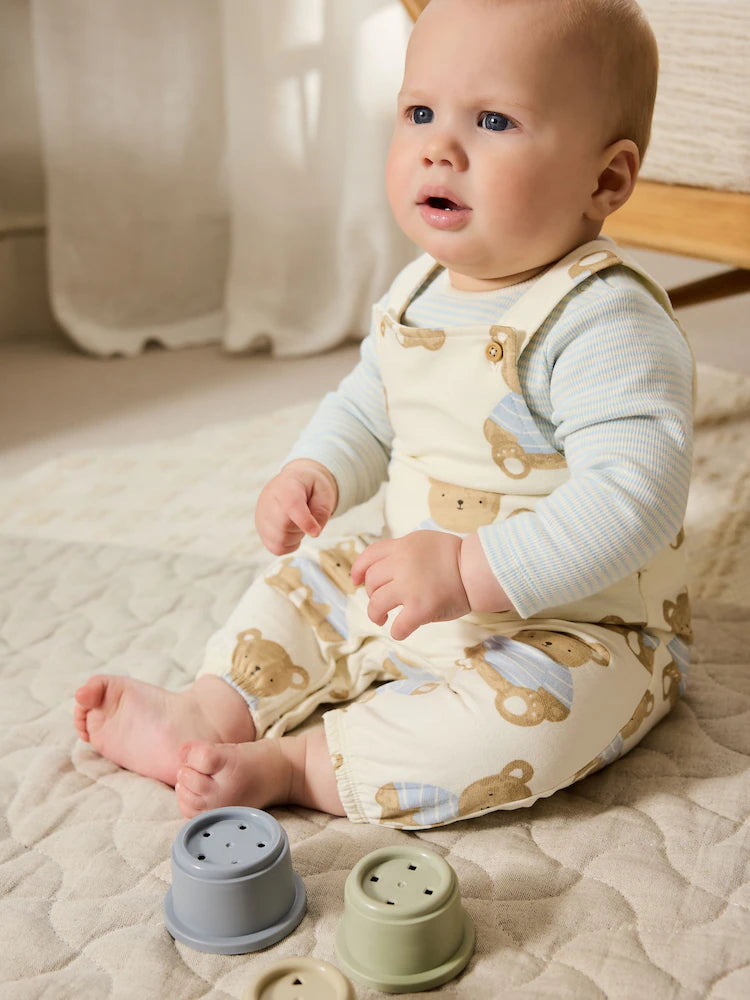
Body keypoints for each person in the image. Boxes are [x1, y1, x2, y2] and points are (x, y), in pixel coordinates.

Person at [74, 0, 694, 829]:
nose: (439, 147)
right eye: (420, 112)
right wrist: (316, 469)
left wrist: (469, 571)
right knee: (302, 589)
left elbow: (636, 499)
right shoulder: (420, 287)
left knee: (543, 722)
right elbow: (371, 404)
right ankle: (211, 710)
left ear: (605, 180)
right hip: (411, 573)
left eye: (494, 120)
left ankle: (303, 764)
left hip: (572, 625)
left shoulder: (605, 320)